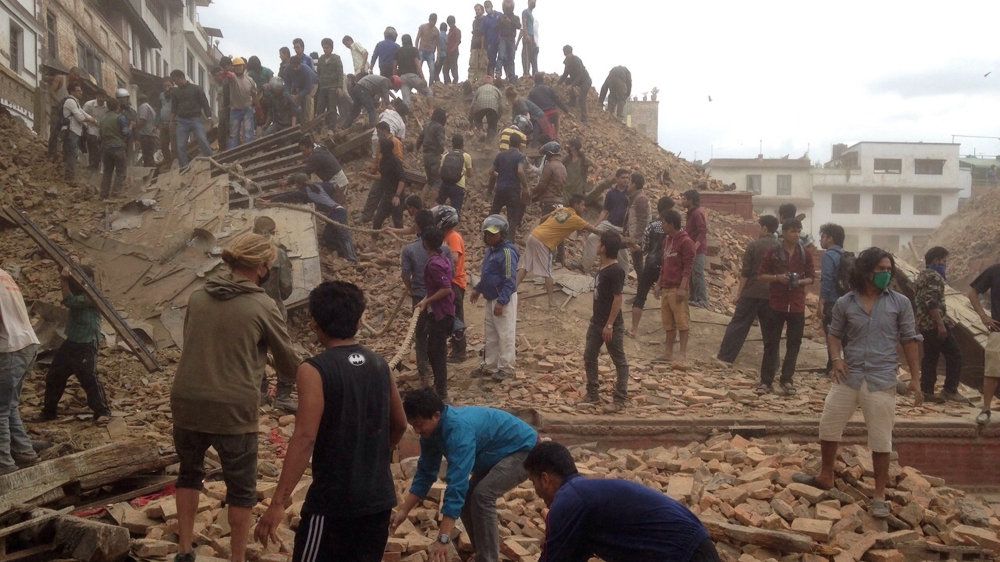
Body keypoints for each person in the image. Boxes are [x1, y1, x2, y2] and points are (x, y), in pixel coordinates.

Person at [170, 234, 301, 562]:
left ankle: (184, 550)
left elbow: (194, 342)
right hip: (233, 407)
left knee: (189, 473)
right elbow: (288, 364)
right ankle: (238, 557)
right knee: (241, 489)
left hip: (187, 401)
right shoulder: (263, 305)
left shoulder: (198, 297)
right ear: (261, 267)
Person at [254, 281, 406, 560]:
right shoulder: (380, 364)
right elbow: (400, 423)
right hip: (378, 499)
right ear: (359, 321)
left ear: (314, 322)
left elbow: (305, 437)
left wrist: (277, 503)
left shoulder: (314, 370)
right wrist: (375, 456)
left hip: (333, 503)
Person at [794, 248, 922, 520]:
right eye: (880, 269)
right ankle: (825, 475)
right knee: (828, 425)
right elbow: (834, 335)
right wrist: (836, 359)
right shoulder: (845, 303)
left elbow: (909, 339)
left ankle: (879, 495)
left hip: (881, 377)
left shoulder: (900, 303)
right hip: (848, 375)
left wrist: (915, 378)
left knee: (880, 438)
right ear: (866, 271)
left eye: (888, 269)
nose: (886, 273)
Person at [390, 388, 538, 562]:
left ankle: (488, 559)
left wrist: (443, 538)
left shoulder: (458, 431)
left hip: (524, 450)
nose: (416, 430)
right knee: (468, 498)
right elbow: (425, 473)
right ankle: (483, 554)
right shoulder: (430, 433)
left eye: (419, 425)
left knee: (482, 496)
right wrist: (403, 511)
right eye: (413, 425)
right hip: (493, 454)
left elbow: (457, 484)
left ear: (436, 415)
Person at [524, 441, 719, 562]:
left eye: (534, 483)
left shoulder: (568, 499)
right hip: (695, 546)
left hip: (684, 553)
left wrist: (553, 544)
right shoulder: (585, 494)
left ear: (545, 479)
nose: (537, 493)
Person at [35, 264, 112, 425]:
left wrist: (63, 279)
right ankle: (49, 412)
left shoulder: (93, 294)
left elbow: (70, 301)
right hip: (72, 341)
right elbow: (67, 277)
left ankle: (102, 411)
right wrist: (69, 265)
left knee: (88, 377)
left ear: (89, 279)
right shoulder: (79, 290)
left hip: (87, 342)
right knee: (55, 375)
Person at [755, 218, 815, 395]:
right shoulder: (773, 252)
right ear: (784, 232)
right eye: (793, 231)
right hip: (776, 303)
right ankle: (766, 380)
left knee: (794, 344)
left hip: (797, 305)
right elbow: (760, 275)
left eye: (798, 231)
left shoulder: (804, 253)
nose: (796, 235)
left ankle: (787, 379)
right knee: (771, 344)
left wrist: (799, 282)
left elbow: (811, 278)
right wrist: (777, 278)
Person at [402, 210, 455, 389]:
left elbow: (405, 275)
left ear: (417, 227)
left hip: (422, 297)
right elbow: (451, 273)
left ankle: (426, 375)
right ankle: (439, 378)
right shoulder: (444, 249)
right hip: (442, 303)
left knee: (421, 335)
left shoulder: (409, 249)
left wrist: (413, 291)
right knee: (438, 341)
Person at [716, 215, 780, 364]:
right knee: (771, 331)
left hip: (751, 293)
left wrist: (739, 293)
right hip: (771, 295)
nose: (758, 230)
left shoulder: (754, 246)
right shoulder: (780, 247)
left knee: (738, 325)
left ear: (764, 228)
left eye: (759, 227)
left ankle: (725, 358)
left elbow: (746, 272)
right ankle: (773, 364)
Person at [517, 195, 600, 309]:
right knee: (547, 273)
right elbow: (594, 230)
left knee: (525, 267)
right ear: (576, 205)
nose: (584, 207)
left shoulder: (561, 210)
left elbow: (543, 218)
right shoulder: (576, 219)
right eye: (582, 205)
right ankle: (551, 303)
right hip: (544, 241)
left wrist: (545, 230)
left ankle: (510, 292)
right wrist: (611, 235)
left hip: (534, 235)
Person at [250, 217, 298, 412]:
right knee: (283, 351)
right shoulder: (279, 254)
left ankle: (260, 394)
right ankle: (283, 397)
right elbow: (286, 289)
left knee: (254, 351)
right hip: (274, 310)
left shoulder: (245, 252)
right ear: (273, 232)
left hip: (249, 310)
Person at [579, 230, 630, 412]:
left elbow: (618, 299)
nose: (597, 246)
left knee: (619, 361)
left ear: (605, 248)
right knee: (589, 356)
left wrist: (609, 324)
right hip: (596, 322)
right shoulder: (603, 268)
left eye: (600, 243)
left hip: (611, 325)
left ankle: (619, 399)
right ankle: (592, 393)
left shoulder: (616, 271)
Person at [0, 267, 41, 476]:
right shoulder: (4, 274)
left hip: (10, 348)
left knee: (0, 410)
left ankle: (4, 464)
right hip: (27, 344)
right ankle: (25, 453)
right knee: (9, 406)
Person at [471, 215, 519, 381]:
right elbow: (488, 275)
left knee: (505, 333)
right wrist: (478, 288)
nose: (489, 237)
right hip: (491, 297)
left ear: (502, 234)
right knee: (491, 333)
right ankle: (490, 365)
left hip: (502, 298)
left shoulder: (507, 252)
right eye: (487, 234)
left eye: (493, 234)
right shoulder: (491, 251)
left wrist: (502, 301)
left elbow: (510, 280)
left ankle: (506, 367)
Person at [914, 247, 963, 404]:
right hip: (934, 324)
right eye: (944, 261)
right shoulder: (935, 277)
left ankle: (926, 391)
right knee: (954, 354)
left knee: (930, 356)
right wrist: (941, 324)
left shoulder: (922, 275)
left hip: (925, 324)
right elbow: (932, 302)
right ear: (936, 260)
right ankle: (950, 390)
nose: (945, 265)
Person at [417, 226, 456, 399]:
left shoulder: (433, 264)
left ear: (425, 243)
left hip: (440, 313)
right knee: (434, 351)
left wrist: (427, 301)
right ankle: (439, 387)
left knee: (437, 353)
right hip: (445, 311)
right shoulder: (442, 257)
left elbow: (446, 288)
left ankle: (441, 391)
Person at [628, 197, 674, 338]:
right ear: (668, 209)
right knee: (670, 300)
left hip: (651, 265)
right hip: (667, 267)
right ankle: (672, 334)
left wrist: (636, 247)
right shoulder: (675, 228)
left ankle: (633, 329)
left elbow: (645, 249)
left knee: (640, 296)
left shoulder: (651, 226)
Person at [654, 210, 695, 364]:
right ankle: (668, 353)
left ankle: (682, 354)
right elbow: (663, 265)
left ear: (671, 224)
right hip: (666, 287)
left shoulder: (686, 242)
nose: (662, 225)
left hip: (677, 287)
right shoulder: (666, 241)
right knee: (668, 324)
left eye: (664, 223)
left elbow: (688, 267)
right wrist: (658, 284)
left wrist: (682, 288)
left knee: (682, 322)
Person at [433, 206, 469, 363]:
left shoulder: (453, 237)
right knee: (451, 316)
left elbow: (454, 258)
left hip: (455, 282)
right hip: (450, 281)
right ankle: (456, 349)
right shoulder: (446, 236)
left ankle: (459, 352)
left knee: (456, 318)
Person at [578, 168, 631, 273]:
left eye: (627, 178)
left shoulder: (630, 193)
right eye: (623, 178)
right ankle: (585, 267)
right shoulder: (611, 193)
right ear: (617, 178)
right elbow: (605, 211)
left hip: (622, 228)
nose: (625, 180)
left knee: (622, 252)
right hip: (609, 224)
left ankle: (624, 277)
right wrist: (594, 226)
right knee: (592, 238)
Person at [968, 263, 1000, 425]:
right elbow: (972, 293)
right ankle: (986, 409)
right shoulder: (995, 271)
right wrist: (983, 316)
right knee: (992, 371)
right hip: (998, 330)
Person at [489, 134, 529, 242]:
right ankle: (509, 242)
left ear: (509, 143)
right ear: (519, 144)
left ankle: (488, 236)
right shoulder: (520, 156)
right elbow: (520, 171)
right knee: (512, 217)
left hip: (500, 189)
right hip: (513, 190)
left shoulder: (500, 155)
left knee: (494, 212)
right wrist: (525, 187)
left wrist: (500, 175)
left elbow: (490, 171)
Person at [818, 223, 846, 373]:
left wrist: (821, 302)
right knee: (846, 336)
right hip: (846, 301)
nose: (820, 240)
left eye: (822, 236)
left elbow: (827, 280)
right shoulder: (845, 255)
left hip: (832, 302)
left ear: (830, 238)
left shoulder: (828, 255)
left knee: (832, 335)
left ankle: (832, 367)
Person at [169, 69, 213, 167]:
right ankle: (184, 168)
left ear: (181, 77)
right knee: (180, 146)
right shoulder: (176, 92)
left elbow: (204, 103)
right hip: (182, 121)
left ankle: (211, 162)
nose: (174, 83)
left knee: (203, 140)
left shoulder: (196, 89)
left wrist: (209, 117)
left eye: (175, 80)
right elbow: (174, 107)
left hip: (195, 119)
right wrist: (171, 120)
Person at [61, 82, 96, 183]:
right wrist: (90, 120)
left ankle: (68, 174)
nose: (81, 92)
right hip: (70, 131)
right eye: (78, 91)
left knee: (72, 153)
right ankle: (69, 176)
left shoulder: (75, 102)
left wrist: (95, 121)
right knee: (73, 153)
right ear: (72, 92)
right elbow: (80, 117)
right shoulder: (70, 102)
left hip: (75, 131)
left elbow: (83, 113)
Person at [680, 190, 708, 308]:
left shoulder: (697, 213)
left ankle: (702, 301)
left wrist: (695, 246)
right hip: (691, 248)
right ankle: (693, 298)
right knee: (691, 274)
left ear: (690, 200)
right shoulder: (690, 213)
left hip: (698, 250)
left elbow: (702, 231)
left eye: (684, 198)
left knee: (697, 273)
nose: (682, 201)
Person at [98, 98, 131, 199]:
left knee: (107, 172)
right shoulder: (120, 118)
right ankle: (116, 192)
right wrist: (131, 128)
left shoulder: (103, 118)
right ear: (117, 107)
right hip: (118, 147)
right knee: (121, 171)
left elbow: (100, 134)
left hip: (106, 148)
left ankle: (103, 194)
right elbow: (126, 132)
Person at [372, 137, 407, 230]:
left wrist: (397, 195)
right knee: (377, 220)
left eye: (379, 146)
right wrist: (368, 176)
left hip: (396, 196)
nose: (378, 148)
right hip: (387, 195)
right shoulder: (383, 161)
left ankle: (399, 239)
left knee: (398, 222)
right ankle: (373, 239)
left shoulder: (395, 161)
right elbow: (383, 177)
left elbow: (402, 178)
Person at [47, 66, 82, 161]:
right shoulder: (60, 79)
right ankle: (51, 154)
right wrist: (60, 102)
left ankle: (65, 157)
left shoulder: (74, 87)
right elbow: (51, 92)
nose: (76, 78)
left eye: (78, 76)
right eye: (75, 75)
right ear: (70, 72)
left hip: (67, 113)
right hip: (57, 109)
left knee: (67, 133)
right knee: (54, 131)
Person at [394, 35, 434, 112]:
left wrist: (394, 78)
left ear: (402, 41)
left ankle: (405, 118)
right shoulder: (414, 50)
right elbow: (417, 65)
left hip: (402, 78)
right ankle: (431, 112)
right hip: (412, 76)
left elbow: (394, 66)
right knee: (429, 92)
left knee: (406, 101)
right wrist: (423, 78)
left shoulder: (398, 51)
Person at [224, 57, 256, 149]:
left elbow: (254, 95)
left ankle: (248, 152)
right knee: (233, 134)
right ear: (233, 68)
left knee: (248, 132)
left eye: (240, 66)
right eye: (236, 66)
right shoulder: (233, 77)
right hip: (235, 109)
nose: (238, 68)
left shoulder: (250, 80)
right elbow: (229, 76)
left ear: (244, 67)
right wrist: (226, 72)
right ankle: (231, 153)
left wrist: (258, 108)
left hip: (247, 108)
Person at [437, 135, 473, 214]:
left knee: (438, 205)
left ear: (452, 144)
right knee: (455, 211)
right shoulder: (466, 156)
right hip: (458, 186)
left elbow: (439, 172)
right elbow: (470, 174)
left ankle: (434, 218)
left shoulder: (446, 155)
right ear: (463, 144)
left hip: (445, 184)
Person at [416, 108, 448, 197]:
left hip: (426, 156)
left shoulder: (427, 125)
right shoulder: (439, 127)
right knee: (437, 182)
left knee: (429, 182)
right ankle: (432, 204)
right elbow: (440, 140)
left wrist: (417, 149)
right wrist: (444, 149)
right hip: (435, 156)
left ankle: (420, 202)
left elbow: (419, 139)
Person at [624, 172, 650, 280]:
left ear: (634, 184)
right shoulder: (634, 197)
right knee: (637, 264)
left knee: (638, 265)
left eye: (629, 181)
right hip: (632, 235)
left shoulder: (641, 199)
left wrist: (636, 240)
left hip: (637, 237)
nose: (627, 184)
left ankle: (642, 288)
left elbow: (642, 221)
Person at [529, 74, 570, 140]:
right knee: (557, 116)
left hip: (542, 116)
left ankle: (547, 137)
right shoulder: (549, 89)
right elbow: (558, 101)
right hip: (553, 114)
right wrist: (567, 111)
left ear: (535, 81)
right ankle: (556, 135)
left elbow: (530, 107)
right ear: (543, 80)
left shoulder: (532, 92)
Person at [557, 45, 591, 124]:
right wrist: (558, 83)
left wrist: (572, 85)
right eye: (566, 54)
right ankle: (572, 101)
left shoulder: (577, 60)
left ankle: (584, 119)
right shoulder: (567, 62)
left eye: (568, 53)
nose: (567, 55)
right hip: (576, 79)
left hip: (585, 80)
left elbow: (580, 75)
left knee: (581, 98)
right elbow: (565, 74)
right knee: (567, 81)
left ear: (571, 53)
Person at [315, 38, 345, 128]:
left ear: (331, 48)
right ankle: (318, 128)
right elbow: (318, 73)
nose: (325, 49)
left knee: (331, 108)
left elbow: (340, 73)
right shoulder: (321, 59)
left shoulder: (336, 59)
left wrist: (340, 87)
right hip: (322, 87)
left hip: (333, 87)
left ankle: (331, 128)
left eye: (327, 48)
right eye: (324, 47)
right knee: (319, 108)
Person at [531, 141, 566, 214]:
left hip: (549, 203)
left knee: (546, 221)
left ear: (549, 154)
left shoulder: (549, 166)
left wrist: (533, 191)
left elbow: (542, 185)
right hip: (559, 202)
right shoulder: (562, 167)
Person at [470, 75, 502, 143]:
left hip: (479, 106)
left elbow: (473, 104)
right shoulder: (496, 90)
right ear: (492, 83)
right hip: (493, 107)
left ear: (483, 83)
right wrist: (498, 116)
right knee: (492, 126)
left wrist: (471, 119)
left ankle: (481, 132)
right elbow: (500, 105)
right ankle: (488, 144)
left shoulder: (479, 89)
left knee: (477, 120)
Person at [286, 55, 319, 123]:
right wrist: (289, 95)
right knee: (293, 101)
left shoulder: (306, 70)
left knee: (308, 98)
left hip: (312, 84)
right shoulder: (287, 70)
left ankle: (308, 121)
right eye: (293, 67)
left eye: (296, 67)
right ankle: (296, 121)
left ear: (300, 64)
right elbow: (287, 85)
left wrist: (297, 96)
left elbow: (308, 89)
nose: (295, 69)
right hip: (300, 85)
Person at [82, 91, 108, 171]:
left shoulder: (107, 107)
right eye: (100, 96)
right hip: (91, 127)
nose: (101, 99)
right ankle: (93, 165)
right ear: (96, 96)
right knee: (92, 143)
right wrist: (86, 128)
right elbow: (82, 116)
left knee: (103, 148)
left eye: (103, 97)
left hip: (103, 129)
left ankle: (100, 166)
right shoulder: (88, 105)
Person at [496, 0, 521, 81]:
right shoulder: (500, 17)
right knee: (501, 55)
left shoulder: (515, 17)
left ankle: (512, 77)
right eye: (506, 2)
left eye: (509, 2)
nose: (507, 4)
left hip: (511, 38)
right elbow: (495, 27)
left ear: (512, 4)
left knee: (511, 58)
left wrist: (510, 22)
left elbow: (518, 26)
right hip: (503, 37)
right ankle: (498, 73)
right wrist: (501, 22)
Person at [416, 14, 441, 83]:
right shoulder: (423, 27)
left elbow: (438, 45)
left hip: (430, 52)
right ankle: (419, 84)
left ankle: (430, 85)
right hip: (421, 50)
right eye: (432, 21)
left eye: (434, 21)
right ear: (429, 20)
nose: (433, 23)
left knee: (432, 70)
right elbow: (417, 38)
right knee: (418, 67)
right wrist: (416, 50)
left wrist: (438, 57)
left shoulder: (436, 31)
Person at [135, 94, 158, 167]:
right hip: (151, 135)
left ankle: (150, 171)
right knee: (149, 156)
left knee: (147, 156)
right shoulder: (150, 108)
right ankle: (152, 171)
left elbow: (142, 120)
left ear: (139, 101)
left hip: (146, 135)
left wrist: (136, 128)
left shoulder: (143, 107)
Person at [517, 0, 538, 77]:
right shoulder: (525, 12)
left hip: (531, 35)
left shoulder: (531, 14)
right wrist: (526, 35)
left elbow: (531, 27)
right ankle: (526, 72)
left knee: (530, 54)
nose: (533, 2)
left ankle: (528, 71)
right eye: (532, 1)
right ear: (528, 2)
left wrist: (534, 40)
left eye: (535, 1)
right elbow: (524, 24)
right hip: (528, 34)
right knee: (526, 53)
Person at [481, 1, 501, 79]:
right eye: (485, 7)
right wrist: (482, 45)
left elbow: (505, 26)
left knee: (503, 57)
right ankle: (492, 78)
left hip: (500, 40)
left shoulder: (499, 15)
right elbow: (483, 33)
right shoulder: (485, 19)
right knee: (491, 60)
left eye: (488, 6)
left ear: (492, 5)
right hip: (490, 42)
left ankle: (503, 76)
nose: (487, 8)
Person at [157, 79, 174, 168]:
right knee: (163, 145)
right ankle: (169, 163)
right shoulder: (161, 95)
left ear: (172, 85)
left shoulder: (175, 94)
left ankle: (175, 163)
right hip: (163, 123)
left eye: (169, 86)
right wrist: (155, 124)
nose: (167, 88)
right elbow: (158, 109)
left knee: (174, 145)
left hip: (173, 123)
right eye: (165, 86)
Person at [469, 4, 487, 81]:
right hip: (474, 45)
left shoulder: (485, 20)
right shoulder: (474, 22)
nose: (477, 11)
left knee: (482, 65)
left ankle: (481, 81)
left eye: (478, 10)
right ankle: (471, 81)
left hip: (483, 45)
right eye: (476, 10)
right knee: (473, 64)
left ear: (482, 10)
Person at [444, 16, 461, 84]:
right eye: (449, 23)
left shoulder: (456, 30)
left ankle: (455, 81)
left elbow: (458, 41)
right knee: (445, 68)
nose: (450, 25)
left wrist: (453, 49)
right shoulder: (450, 31)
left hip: (454, 52)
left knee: (453, 67)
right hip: (448, 52)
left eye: (451, 23)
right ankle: (447, 83)